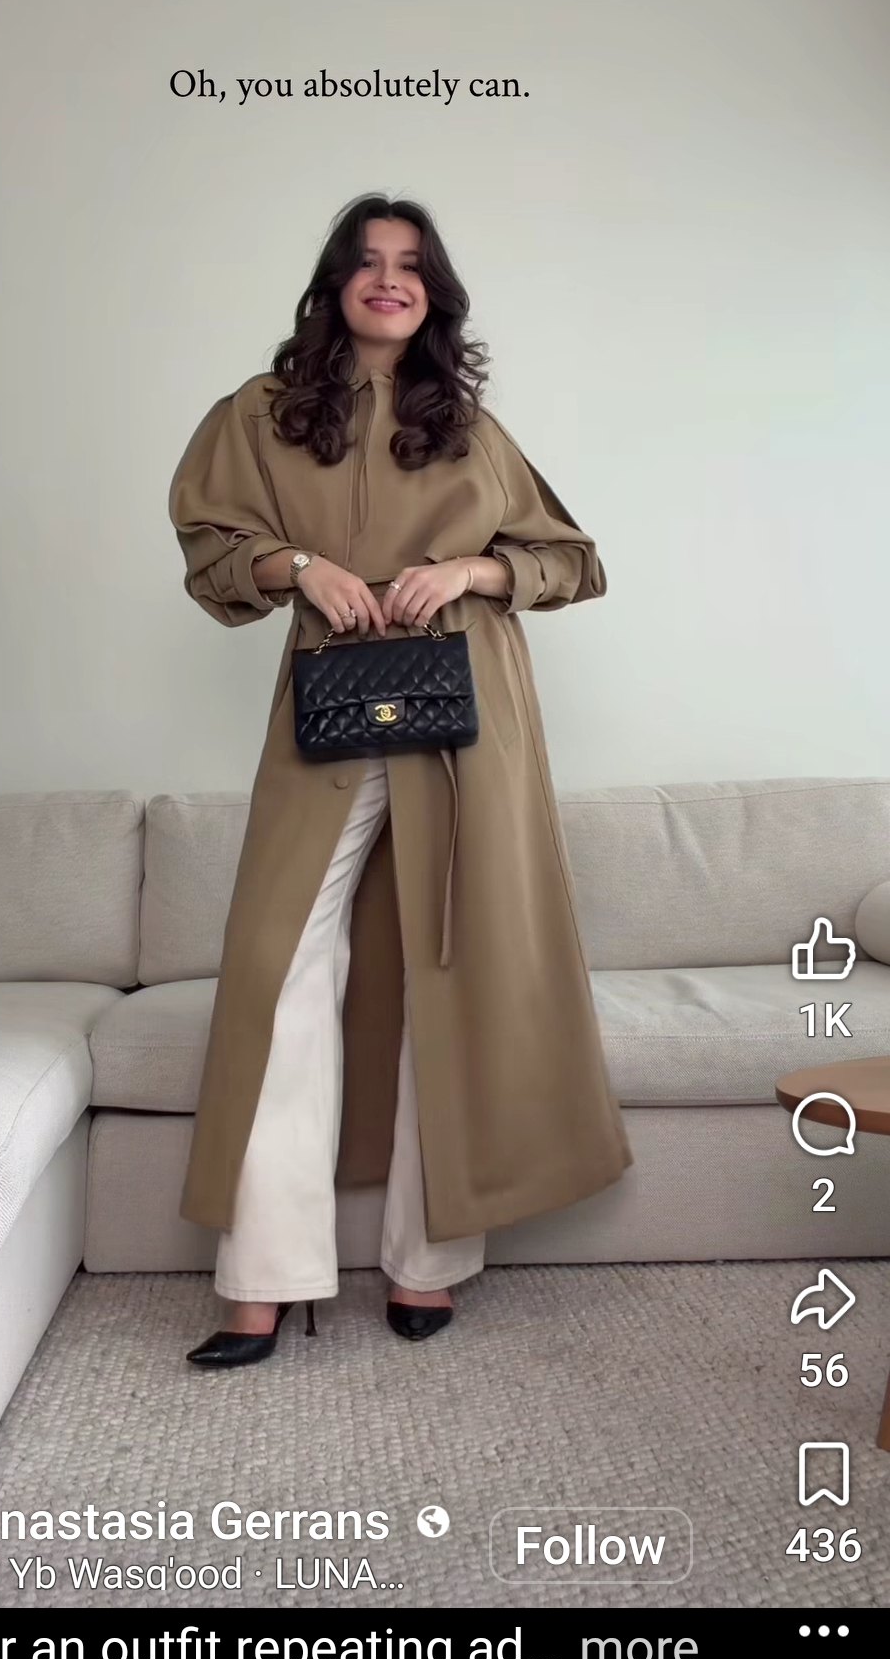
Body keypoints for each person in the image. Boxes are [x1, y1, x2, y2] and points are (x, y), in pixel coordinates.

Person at [168, 193, 632, 1370]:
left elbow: (571, 559)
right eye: (369, 262)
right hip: (327, 705)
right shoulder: (261, 414)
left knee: (452, 968)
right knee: (280, 967)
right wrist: (299, 565)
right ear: (335, 283)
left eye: (412, 265)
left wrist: (471, 570)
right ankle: (262, 1279)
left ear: (434, 293)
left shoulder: (464, 423)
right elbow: (213, 547)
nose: (391, 280)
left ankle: (429, 1262)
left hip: (469, 716)